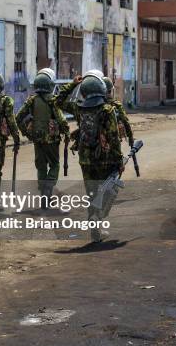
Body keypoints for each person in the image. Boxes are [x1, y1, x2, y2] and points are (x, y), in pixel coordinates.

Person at [56, 73, 123, 242]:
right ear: (102, 90)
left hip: (85, 159)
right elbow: (114, 138)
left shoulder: (79, 109)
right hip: (105, 159)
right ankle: (98, 217)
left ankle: (95, 229)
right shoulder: (108, 110)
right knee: (108, 190)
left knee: (92, 193)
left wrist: (72, 84)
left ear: (84, 92)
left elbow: (57, 101)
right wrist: (119, 160)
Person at [16, 68, 69, 204]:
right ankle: (48, 189)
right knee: (55, 164)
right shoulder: (53, 100)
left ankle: (43, 192)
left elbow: (18, 117)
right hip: (52, 140)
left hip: (37, 139)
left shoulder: (32, 100)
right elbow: (61, 119)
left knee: (41, 166)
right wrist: (67, 132)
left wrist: (26, 133)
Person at [103, 77, 134, 146]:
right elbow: (125, 122)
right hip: (112, 144)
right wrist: (131, 138)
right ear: (111, 90)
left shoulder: (93, 106)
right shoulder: (116, 105)